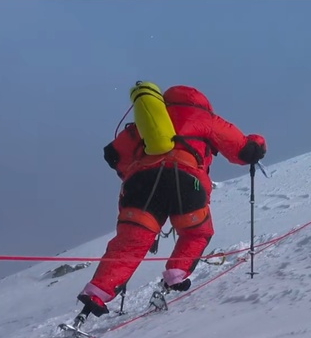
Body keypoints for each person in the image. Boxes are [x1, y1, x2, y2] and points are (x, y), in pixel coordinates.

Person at [77, 84, 267, 320]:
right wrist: (258, 143)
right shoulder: (206, 119)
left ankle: (97, 293)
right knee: (196, 232)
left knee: (130, 242)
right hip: (185, 180)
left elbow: (113, 155)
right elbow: (244, 150)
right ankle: (176, 274)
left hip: (142, 182)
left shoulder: (149, 121)